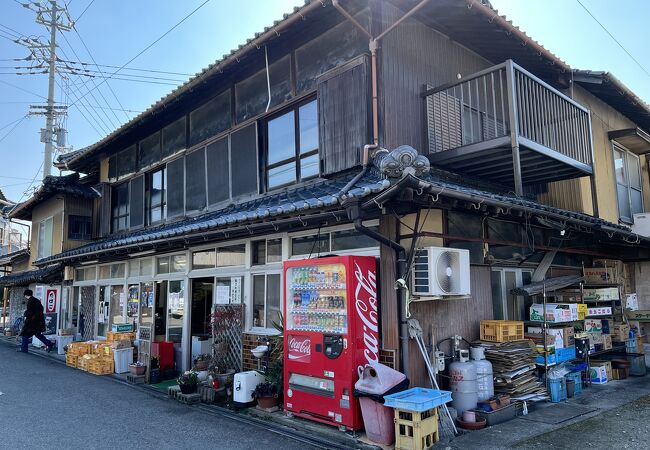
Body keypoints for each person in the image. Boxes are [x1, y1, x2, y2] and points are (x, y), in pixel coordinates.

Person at [18, 289, 55, 353]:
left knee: (25, 335)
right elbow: (40, 310)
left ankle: (24, 349)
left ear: (26, 295)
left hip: (32, 322)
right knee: (38, 334)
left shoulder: (30, 302)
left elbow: (30, 312)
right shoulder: (36, 300)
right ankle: (49, 344)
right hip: (38, 321)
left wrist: (25, 314)